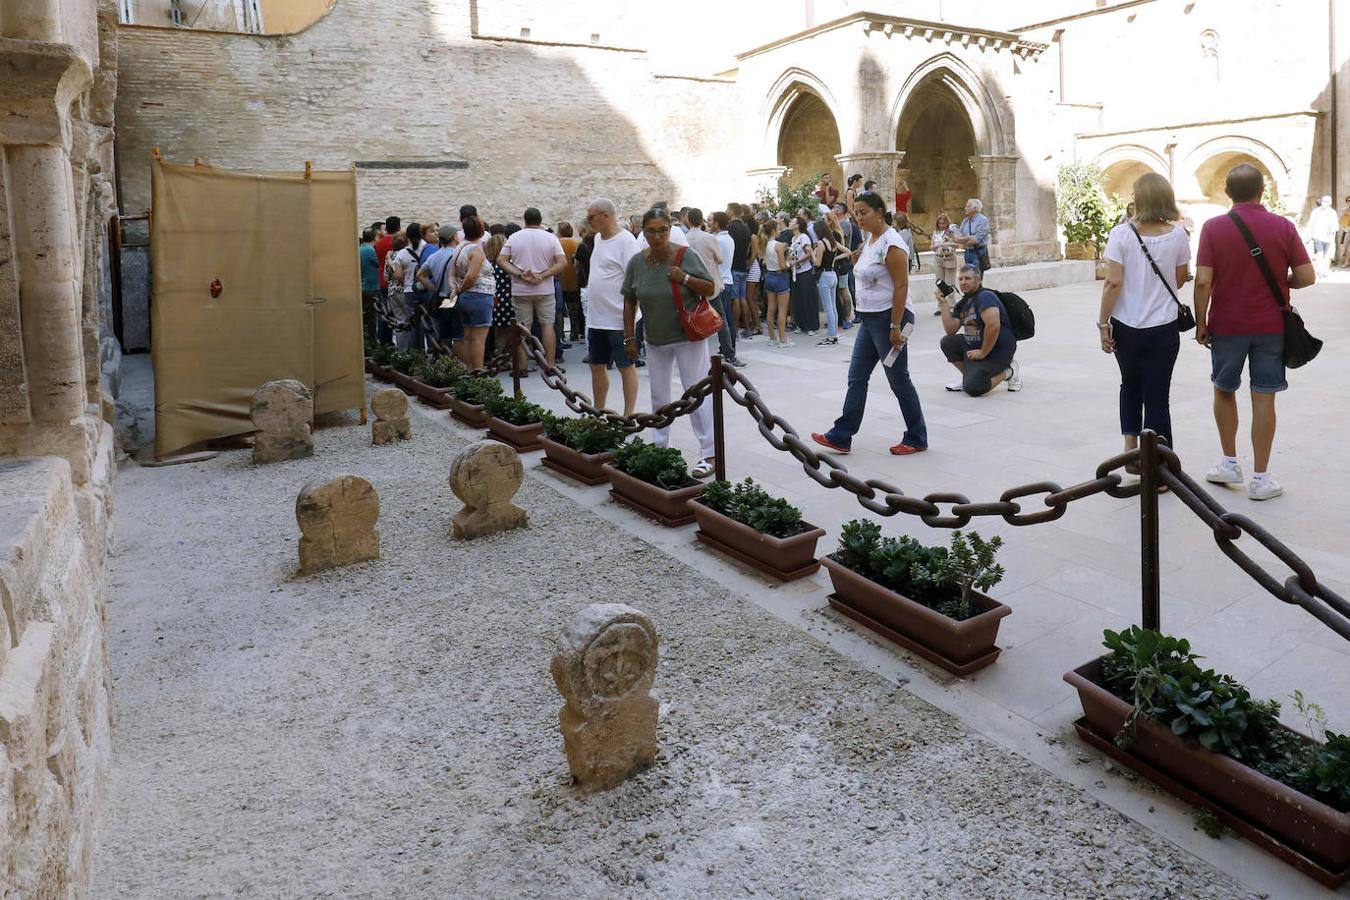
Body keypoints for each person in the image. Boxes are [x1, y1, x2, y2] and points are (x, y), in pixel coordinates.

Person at [1193, 163, 1316, 500]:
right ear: (1263, 191)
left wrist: (1201, 322)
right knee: (1264, 396)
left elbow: (1203, 279)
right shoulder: (1283, 226)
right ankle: (1261, 478)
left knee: (1224, 389)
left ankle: (1229, 462)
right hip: (1271, 326)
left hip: (1227, 325)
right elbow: (1307, 276)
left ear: (1227, 192)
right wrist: (1282, 283)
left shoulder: (1214, 228)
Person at [812, 191, 927, 456]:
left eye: (863, 212)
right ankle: (842, 435)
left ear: (879, 212)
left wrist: (895, 328)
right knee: (857, 377)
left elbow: (901, 286)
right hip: (870, 318)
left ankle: (917, 436)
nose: (858, 217)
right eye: (856, 212)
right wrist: (856, 260)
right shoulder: (870, 240)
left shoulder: (893, 244)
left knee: (899, 380)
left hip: (891, 318)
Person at [1096, 173, 1191, 457]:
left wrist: (1103, 324)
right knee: (1158, 395)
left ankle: (1129, 452)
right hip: (1163, 325)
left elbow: (1113, 282)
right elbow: (1181, 278)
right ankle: (1159, 466)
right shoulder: (1177, 235)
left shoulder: (1121, 234)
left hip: (1126, 325)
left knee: (1130, 385)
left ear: (1138, 199)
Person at [622, 208, 719, 479]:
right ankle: (660, 446)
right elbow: (629, 299)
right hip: (655, 338)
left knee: (695, 392)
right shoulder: (636, 262)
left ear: (670, 229)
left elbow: (709, 287)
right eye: (650, 231)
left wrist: (684, 278)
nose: (656, 236)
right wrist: (629, 336)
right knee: (658, 395)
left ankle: (709, 452)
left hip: (687, 336)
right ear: (643, 232)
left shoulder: (684, 254)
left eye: (662, 230)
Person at [582, 198, 641, 415]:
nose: (587, 221)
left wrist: (631, 324)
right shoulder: (597, 238)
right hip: (597, 317)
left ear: (605, 216)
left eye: (591, 217)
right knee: (596, 365)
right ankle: (599, 411)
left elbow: (635, 282)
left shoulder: (626, 242)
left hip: (619, 318)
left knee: (626, 366)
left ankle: (629, 414)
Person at [937, 265, 1021, 396]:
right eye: (960, 279)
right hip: (975, 348)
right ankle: (968, 377)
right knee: (948, 342)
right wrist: (943, 304)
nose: (963, 282)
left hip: (997, 351)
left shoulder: (985, 297)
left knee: (974, 388)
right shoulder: (964, 302)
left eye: (967, 278)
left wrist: (982, 352)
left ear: (978, 280)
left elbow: (993, 326)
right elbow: (950, 330)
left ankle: (1009, 371)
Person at [499, 207, 566, 369]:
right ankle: (550, 364)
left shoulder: (514, 238)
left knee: (523, 328)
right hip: (545, 288)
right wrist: (542, 275)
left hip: (521, 289)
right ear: (540, 220)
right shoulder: (550, 238)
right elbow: (562, 262)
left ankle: (521, 367)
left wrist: (520, 274)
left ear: (525, 220)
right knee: (548, 326)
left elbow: (502, 260)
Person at [444, 217, 494, 369]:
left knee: (468, 337)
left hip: (464, 297)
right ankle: (477, 372)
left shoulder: (459, 248)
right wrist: (460, 288)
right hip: (479, 295)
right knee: (479, 338)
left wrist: (455, 288)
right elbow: (471, 277)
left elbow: (451, 274)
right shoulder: (476, 251)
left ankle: (469, 370)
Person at [416, 223, 463, 357]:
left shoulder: (434, 256)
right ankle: (457, 365)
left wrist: (434, 288)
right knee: (459, 335)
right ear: (454, 236)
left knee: (444, 334)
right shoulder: (458, 255)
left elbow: (420, 275)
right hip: (455, 297)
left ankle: (444, 364)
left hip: (442, 298)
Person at [707, 212, 745, 367]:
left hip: (720, 281)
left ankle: (729, 352)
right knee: (727, 318)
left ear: (717, 223)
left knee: (722, 321)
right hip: (727, 279)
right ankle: (728, 349)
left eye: (711, 221)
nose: (709, 223)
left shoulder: (717, 239)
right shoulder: (728, 238)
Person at [390, 223, 425, 351]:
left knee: (408, 322)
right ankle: (423, 350)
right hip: (424, 289)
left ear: (408, 237)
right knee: (423, 323)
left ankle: (408, 351)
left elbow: (397, 276)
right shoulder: (427, 249)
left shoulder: (402, 253)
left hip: (409, 290)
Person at [812, 222, 844, 345]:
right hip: (833, 274)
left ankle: (831, 337)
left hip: (825, 276)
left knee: (828, 308)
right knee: (833, 307)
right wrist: (835, 259)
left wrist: (811, 255)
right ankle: (834, 333)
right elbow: (847, 251)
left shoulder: (821, 243)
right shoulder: (833, 242)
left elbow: (817, 263)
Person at [760, 221, 791, 347]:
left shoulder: (765, 244)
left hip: (769, 276)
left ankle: (772, 338)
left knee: (770, 309)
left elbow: (765, 262)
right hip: (780, 277)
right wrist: (789, 262)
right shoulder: (778, 245)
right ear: (773, 230)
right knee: (782, 310)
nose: (779, 231)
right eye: (778, 229)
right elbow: (783, 265)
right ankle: (783, 339)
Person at [788, 217, 819, 335]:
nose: (790, 223)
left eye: (793, 222)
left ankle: (811, 326)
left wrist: (797, 262)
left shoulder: (804, 237)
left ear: (798, 225)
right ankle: (802, 324)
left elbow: (809, 252)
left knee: (807, 299)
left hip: (805, 271)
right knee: (798, 299)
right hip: (796, 272)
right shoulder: (793, 238)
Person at [727, 207, 753, 342]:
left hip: (733, 266)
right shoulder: (745, 228)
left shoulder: (730, 227)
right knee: (743, 298)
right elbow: (749, 247)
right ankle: (747, 329)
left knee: (735, 299)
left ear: (732, 212)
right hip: (743, 266)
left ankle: (735, 330)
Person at [556, 221, 584, 342]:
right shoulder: (577, 243)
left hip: (560, 280)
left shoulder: (557, 243)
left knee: (560, 310)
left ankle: (560, 333)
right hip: (574, 281)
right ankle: (575, 332)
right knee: (574, 309)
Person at [955, 198, 991, 270]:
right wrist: (968, 237)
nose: (965, 208)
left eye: (967, 206)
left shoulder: (982, 220)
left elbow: (976, 239)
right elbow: (957, 237)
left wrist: (963, 244)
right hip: (968, 253)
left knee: (976, 276)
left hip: (978, 252)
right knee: (969, 275)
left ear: (974, 208)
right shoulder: (965, 221)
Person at [1308, 196, 1339, 277]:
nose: (1325, 203)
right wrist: (1309, 234)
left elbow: (1336, 224)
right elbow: (1311, 223)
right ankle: (1319, 270)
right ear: (1321, 202)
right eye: (1324, 201)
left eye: (1327, 201)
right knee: (1320, 253)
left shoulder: (1332, 212)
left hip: (1328, 237)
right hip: (1317, 235)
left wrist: (1333, 229)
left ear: (1330, 202)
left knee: (1326, 254)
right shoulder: (1316, 211)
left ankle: (1325, 270)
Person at [359, 228, 380, 341]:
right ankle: (372, 342)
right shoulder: (371, 250)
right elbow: (379, 264)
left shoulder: (360, 248)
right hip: (372, 288)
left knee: (366, 318)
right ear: (375, 237)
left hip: (363, 286)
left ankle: (367, 341)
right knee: (372, 319)